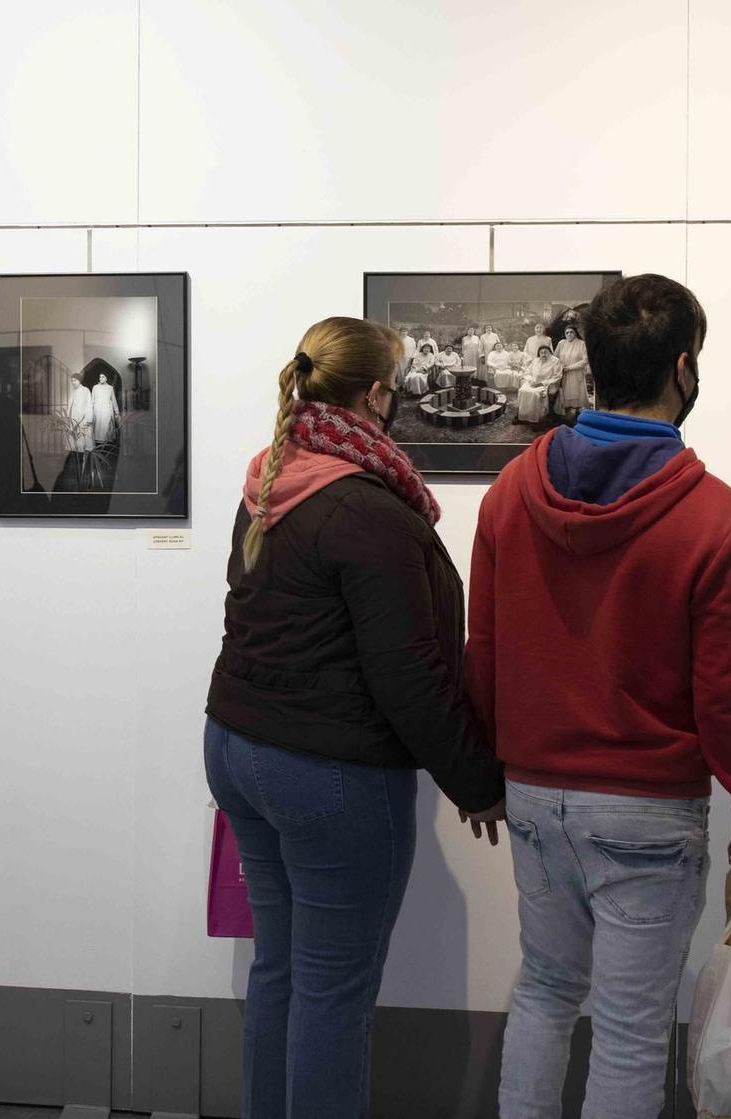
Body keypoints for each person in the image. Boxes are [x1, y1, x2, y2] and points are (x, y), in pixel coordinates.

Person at [469, 275, 731, 1119]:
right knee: (627, 1028)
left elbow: (484, 653)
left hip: (537, 795)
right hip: (648, 809)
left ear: (594, 366)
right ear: (682, 370)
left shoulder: (512, 492)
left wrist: (484, 769)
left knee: (543, 991)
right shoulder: (712, 517)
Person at [205, 317, 505, 1119]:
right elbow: (410, 675)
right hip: (326, 772)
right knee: (333, 988)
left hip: (238, 746)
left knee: (281, 968)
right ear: (378, 394)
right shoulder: (372, 512)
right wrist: (478, 780)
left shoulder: (270, 478)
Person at [516, 342, 560, 423]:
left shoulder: (555, 361)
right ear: (539, 354)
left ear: (550, 353)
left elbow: (556, 377)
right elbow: (528, 372)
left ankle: (537, 419)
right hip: (532, 382)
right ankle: (523, 416)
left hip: (545, 384)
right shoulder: (536, 360)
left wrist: (541, 383)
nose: (543, 354)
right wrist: (530, 380)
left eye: (545, 352)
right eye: (541, 352)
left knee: (535, 394)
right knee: (522, 391)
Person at [554, 325, 590, 416]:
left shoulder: (581, 343)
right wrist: (560, 366)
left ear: (575, 333)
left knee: (577, 392)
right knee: (566, 392)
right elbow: (555, 357)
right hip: (564, 372)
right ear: (564, 334)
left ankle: (577, 410)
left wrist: (570, 368)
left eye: (571, 332)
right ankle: (567, 410)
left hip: (576, 372)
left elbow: (585, 360)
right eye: (567, 332)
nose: (569, 334)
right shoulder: (561, 343)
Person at [89, 361, 121, 443]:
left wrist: (116, 411)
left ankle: (107, 444)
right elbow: (92, 400)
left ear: (106, 378)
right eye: (100, 377)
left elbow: (113, 400)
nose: (101, 379)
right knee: (98, 428)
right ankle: (98, 445)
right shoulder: (95, 387)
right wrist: (90, 411)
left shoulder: (110, 388)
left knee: (106, 427)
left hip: (107, 410)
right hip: (97, 410)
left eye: (103, 377)